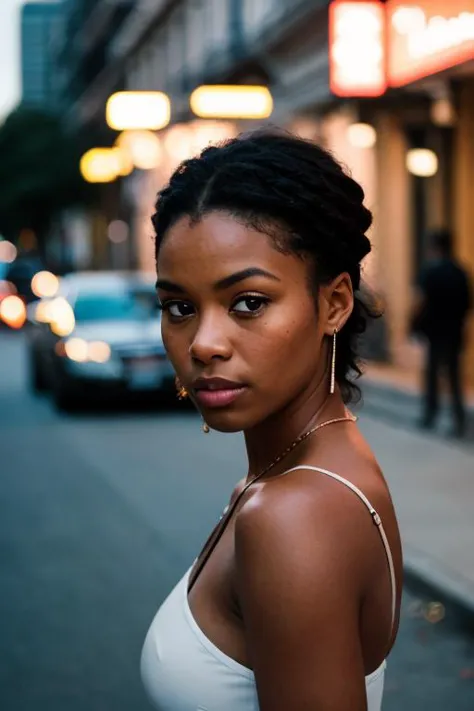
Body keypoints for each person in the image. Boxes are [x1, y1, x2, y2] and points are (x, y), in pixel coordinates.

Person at [141, 131, 403, 711]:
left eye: (248, 302)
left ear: (334, 304)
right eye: (179, 307)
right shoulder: (305, 477)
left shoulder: (293, 514)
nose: (205, 343)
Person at [414, 228, 471, 437]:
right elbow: (467, 305)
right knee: (455, 377)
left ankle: (431, 415)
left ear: (435, 248)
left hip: (435, 332)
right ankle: (459, 421)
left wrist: (414, 325)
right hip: (454, 332)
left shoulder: (430, 272)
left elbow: (421, 301)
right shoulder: (460, 273)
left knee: (432, 375)